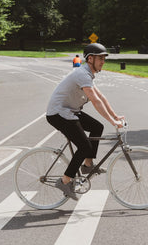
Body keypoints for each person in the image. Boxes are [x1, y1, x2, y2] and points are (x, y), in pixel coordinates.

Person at [46, 43, 124, 200]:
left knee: (97, 127)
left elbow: (101, 97)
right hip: (58, 113)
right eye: (100, 58)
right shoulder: (82, 74)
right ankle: (65, 181)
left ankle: (88, 165)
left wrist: (115, 116)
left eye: (104, 58)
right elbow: (95, 101)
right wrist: (112, 122)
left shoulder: (87, 74)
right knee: (83, 146)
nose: (103, 61)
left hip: (70, 111)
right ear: (90, 59)